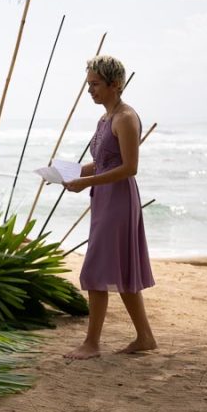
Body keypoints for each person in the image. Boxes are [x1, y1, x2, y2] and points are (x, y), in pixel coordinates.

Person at [63, 55, 156, 360]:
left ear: (115, 84)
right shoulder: (105, 118)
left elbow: (130, 167)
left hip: (119, 200)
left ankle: (92, 343)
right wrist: (71, 173)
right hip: (104, 199)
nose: (90, 90)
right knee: (122, 269)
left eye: (95, 84)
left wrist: (87, 183)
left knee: (94, 270)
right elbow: (103, 163)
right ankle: (145, 337)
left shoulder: (126, 118)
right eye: (88, 84)